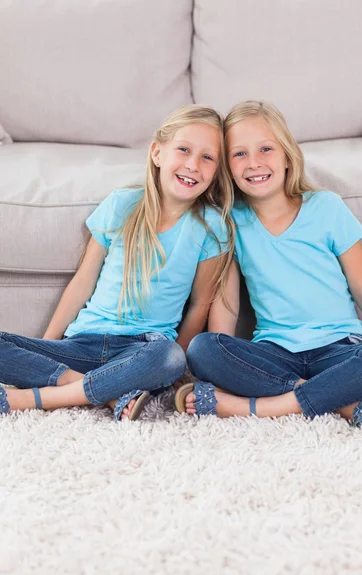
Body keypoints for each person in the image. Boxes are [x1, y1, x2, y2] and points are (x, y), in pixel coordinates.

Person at [0, 105, 234, 421]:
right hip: (82, 343)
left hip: (143, 349)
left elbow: (199, 306)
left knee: (170, 357)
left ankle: (30, 399)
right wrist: (46, 346)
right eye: (183, 150)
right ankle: (98, 391)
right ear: (157, 153)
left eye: (208, 157)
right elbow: (81, 283)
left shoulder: (210, 226)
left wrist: (176, 370)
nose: (193, 165)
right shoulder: (122, 205)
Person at [175, 100, 362, 427]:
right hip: (274, 356)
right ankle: (338, 402)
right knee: (203, 349)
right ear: (228, 167)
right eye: (239, 154)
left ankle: (253, 408)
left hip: (338, 351)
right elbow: (227, 304)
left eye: (265, 149)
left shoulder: (327, 207)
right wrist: (221, 362)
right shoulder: (232, 223)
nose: (254, 163)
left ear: (286, 155)